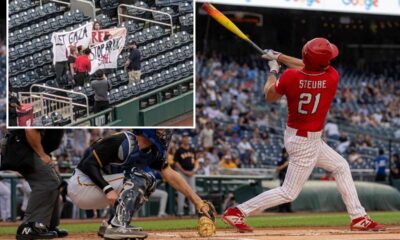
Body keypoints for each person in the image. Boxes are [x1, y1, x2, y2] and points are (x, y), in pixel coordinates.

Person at [222, 38, 384, 232]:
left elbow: (269, 95)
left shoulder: (290, 76)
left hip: (301, 137)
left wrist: (274, 68)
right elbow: (309, 66)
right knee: (288, 193)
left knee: (341, 166)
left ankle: (358, 217)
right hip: (305, 142)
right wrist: (279, 56)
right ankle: (237, 211)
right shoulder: (332, 76)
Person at [67, 130, 215, 239]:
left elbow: (170, 174)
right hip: (81, 184)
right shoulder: (122, 141)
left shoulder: (151, 150)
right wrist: (108, 190)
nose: (163, 133)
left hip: (96, 188)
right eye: (159, 131)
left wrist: (198, 202)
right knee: (143, 177)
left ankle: (115, 225)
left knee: (150, 181)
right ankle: (119, 225)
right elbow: (87, 165)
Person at [3, 130, 67, 239]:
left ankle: (47, 226)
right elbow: (30, 130)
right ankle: (30, 226)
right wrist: (41, 154)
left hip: (26, 146)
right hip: (22, 146)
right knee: (48, 181)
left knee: (56, 182)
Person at [173, 132, 198, 216]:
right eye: (184, 137)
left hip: (191, 173)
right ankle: (180, 212)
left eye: (187, 137)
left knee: (192, 192)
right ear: (182, 139)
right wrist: (183, 171)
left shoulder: (192, 149)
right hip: (182, 173)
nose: (186, 139)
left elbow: (196, 161)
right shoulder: (179, 150)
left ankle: (193, 211)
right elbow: (176, 162)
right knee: (181, 192)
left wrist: (194, 170)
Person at [276, 148, 292, 213]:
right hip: (283, 177)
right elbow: (277, 168)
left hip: (288, 177)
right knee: (282, 192)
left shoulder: (289, 159)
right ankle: (281, 209)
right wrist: (285, 164)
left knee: (290, 193)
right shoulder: (281, 159)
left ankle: (288, 209)